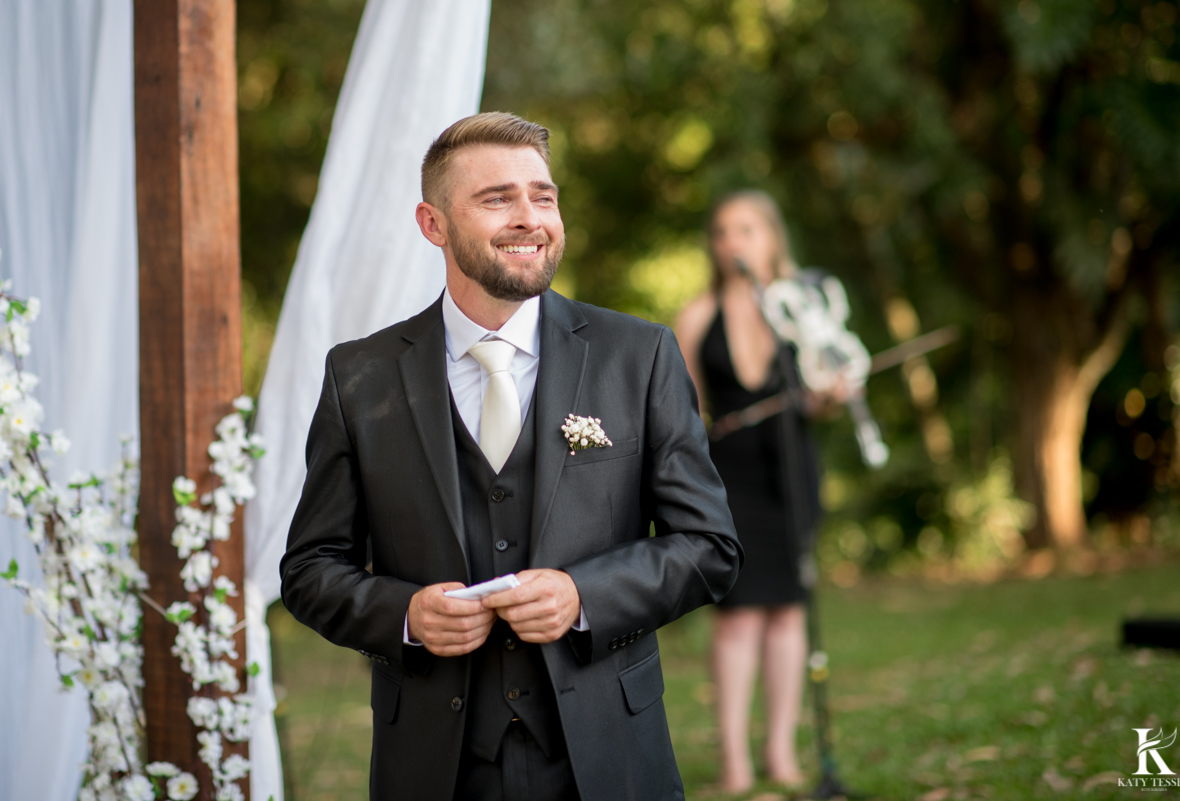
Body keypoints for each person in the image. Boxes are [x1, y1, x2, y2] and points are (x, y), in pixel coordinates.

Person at [279, 112, 742, 801]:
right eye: (497, 198)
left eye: (543, 196)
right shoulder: (361, 377)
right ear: (433, 224)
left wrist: (584, 596)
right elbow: (310, 568)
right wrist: (405, 614)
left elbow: (710, 546)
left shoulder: (638, 356)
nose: (530, 216)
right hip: (433, 766)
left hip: (607, 757)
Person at [675, 190, 832, 793]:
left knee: (789, 613)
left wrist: (828, 396)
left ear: (772, 237)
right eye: (722, 232)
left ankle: (782, 751)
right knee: (738, 619)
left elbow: (817, 399)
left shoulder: (802, 308)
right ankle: (735, 761)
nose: (732, 243)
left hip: (789, 474)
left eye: (746, 230)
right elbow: (683, 413)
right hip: (728, 480)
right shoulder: (698, 315)